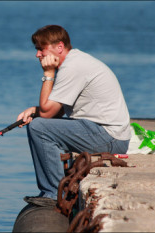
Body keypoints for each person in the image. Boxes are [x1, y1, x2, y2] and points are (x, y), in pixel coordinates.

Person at [17, 25, 131, 200]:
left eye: (41, 49)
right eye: (37, 49)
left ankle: (54, 193)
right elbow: (55, 110)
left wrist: (48, 74)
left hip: (109, 137)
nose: (37, 54)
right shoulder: (74, 62)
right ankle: (51, 190)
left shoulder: (73, 67)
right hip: (103, 132)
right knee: (40, 123)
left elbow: (47, 115)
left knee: (39, 127)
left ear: (59, 47)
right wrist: (35, 110)